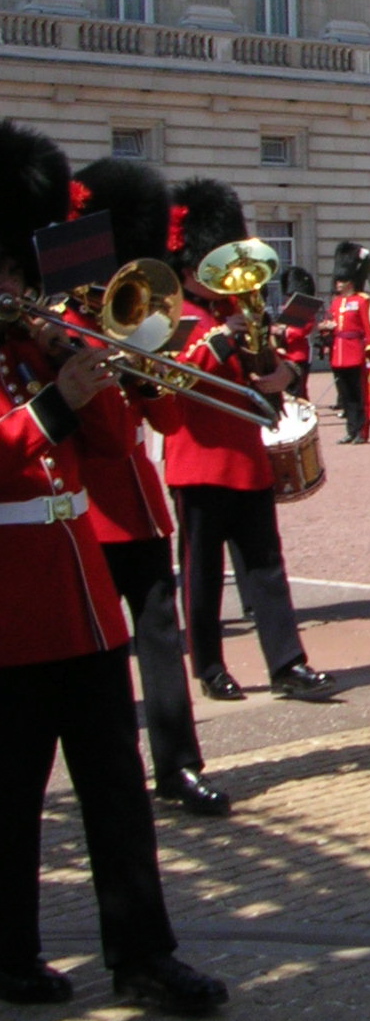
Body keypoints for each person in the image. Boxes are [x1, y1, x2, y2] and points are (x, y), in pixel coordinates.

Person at [0, 120, 228, 1014]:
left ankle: (142, 952)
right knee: (13, 798)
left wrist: (76, 364)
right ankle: (11, 953)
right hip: (12, 604)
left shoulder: (30, 346)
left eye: (16, 274)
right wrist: (57, 397)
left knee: (116, 794)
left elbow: (105, 450)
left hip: (80, 592)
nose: (14, 290)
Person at [69, 160, 231, 815]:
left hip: (139, 506)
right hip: (85, 510)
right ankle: (110, 771)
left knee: (162, 638)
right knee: (99, 658)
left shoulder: (122, 317)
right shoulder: (62, 329)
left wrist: (148, 370)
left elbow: (164, 418)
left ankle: (178, 764)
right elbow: (101, 434)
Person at [166, 179, 337, 704]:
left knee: (265, 567)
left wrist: (283, 372)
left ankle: (287, 662)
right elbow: (173, 376)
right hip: (197, 462)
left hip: (247, 459)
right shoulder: (171, 317)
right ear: (192, 269)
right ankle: (210, 666)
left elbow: (270, 367)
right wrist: (220, 339)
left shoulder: (239, 312)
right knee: (202, 574)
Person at [323, 242, 370, 444]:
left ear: (351, 282)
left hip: (356, 353)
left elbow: (368, 329)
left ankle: (362, 431)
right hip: (339, 354)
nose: (338, 284)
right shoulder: (336, 303)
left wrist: (369, 353)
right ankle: (351, 430)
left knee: (360, 396)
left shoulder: (361, 301)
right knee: (347, 397)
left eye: (342, 281)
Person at [274, 265, 316, 400]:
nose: (288, 298)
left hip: (299, 355)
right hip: (286, 354)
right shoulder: (288, 307)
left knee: (299, 391)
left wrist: (281, 331)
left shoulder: (305, 308)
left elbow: (299, 332)